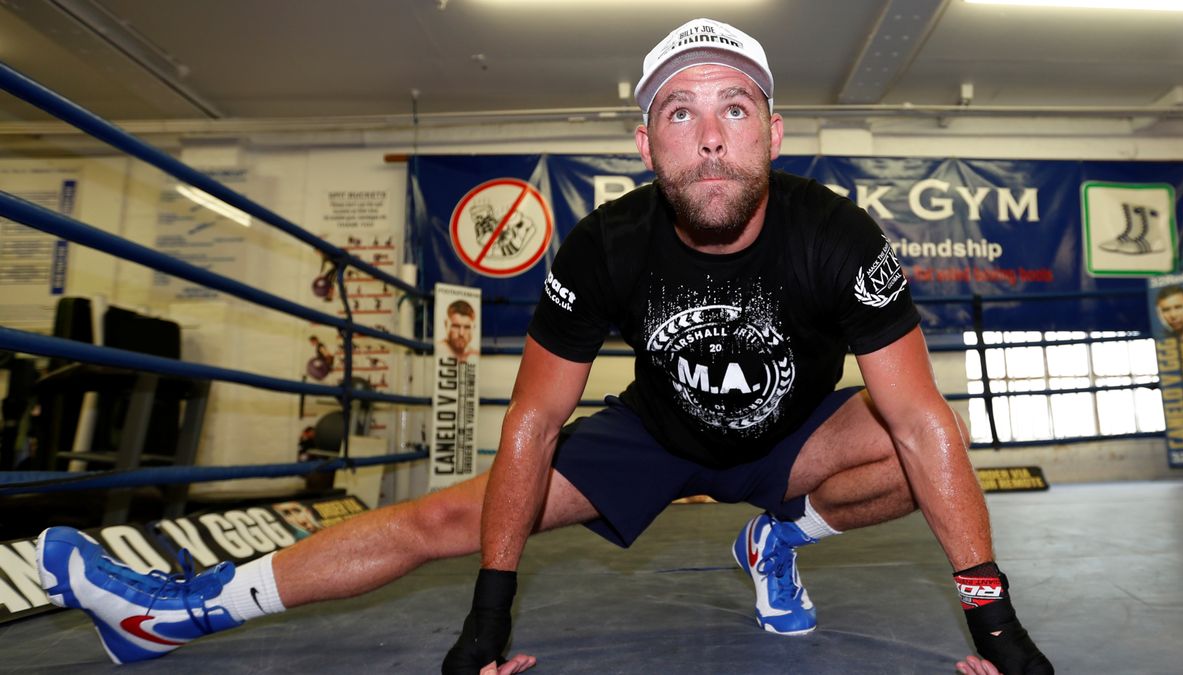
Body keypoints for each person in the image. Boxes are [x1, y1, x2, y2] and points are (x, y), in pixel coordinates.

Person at [35, 18, 1052, 675]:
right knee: (441, 519)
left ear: (773, 134)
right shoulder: (605, 243)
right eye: (680, 113)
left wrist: (991, 619)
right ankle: (177, 613)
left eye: (734, 109)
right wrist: (491, 609)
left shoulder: (838, 235)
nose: (709, 135)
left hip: (797, 440)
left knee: (925, 448)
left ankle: (776, 538)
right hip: (655, 434)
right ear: (645, 142)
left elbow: (918, 418)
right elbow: (534, 417)